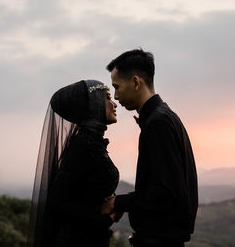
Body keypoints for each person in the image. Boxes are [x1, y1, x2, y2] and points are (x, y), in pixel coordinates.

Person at [102, 49, 198, 247]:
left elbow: (167, 192)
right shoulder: (165, 116)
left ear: (136, 82)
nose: (116, 96)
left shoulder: (158, 123)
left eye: (117, 87)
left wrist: (116, 203)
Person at [27, 80, 122, 247]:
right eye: (107, 97)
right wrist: (105, 219)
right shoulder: (82, 147)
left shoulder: (93, 143)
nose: (114, 104)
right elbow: (57, 203)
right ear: (94, 104)